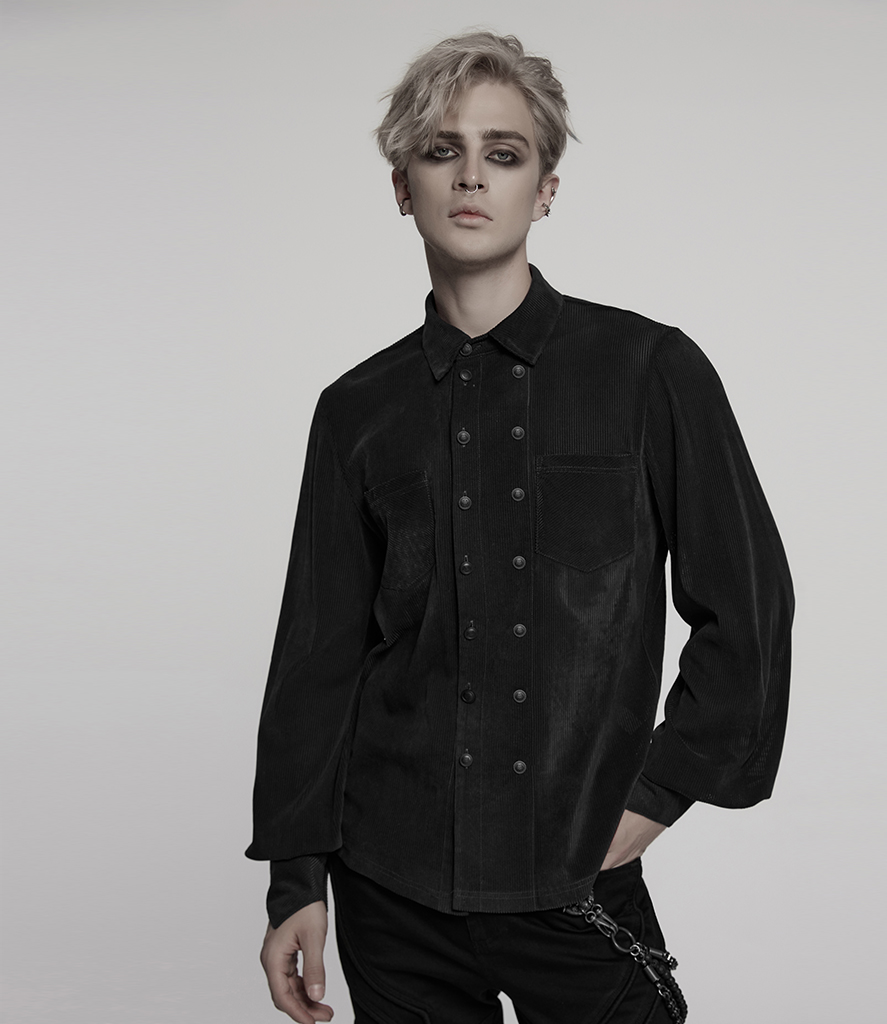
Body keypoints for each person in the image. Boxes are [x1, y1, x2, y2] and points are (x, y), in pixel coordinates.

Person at [246, 30, 794, 1024]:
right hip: (390, 889)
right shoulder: (356, 410)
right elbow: (318, 655)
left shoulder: (649, 371)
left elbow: (748, 607)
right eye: (440, 150)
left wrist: (655, 797)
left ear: (544, 190)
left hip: (577, 881)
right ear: (402, 186)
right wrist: (296, 881)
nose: (471, 176)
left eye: (502, 154)